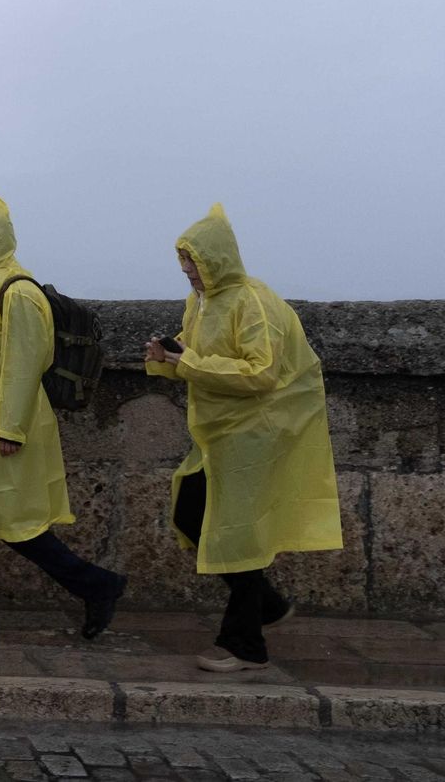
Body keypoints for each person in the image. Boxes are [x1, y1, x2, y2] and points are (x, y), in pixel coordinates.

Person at [145, 203, 342, 672]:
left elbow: (261, 373)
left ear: (216, 258)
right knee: (193, 513)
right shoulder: (203, 301)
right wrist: (165, 356)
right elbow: (195, 353)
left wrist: (184, 363)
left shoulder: (253, 302)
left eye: (193, 260)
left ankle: (245, 643)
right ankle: (268, 606)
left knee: (236, 530)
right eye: (184, 261)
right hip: (220, 432)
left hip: (260, 430)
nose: (188, 270)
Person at [0, 195, 126, 639]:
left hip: (1, 433)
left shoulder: (18, 293)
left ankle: (98, 585)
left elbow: (23, 364)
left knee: (15, 525)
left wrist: (9, 428)